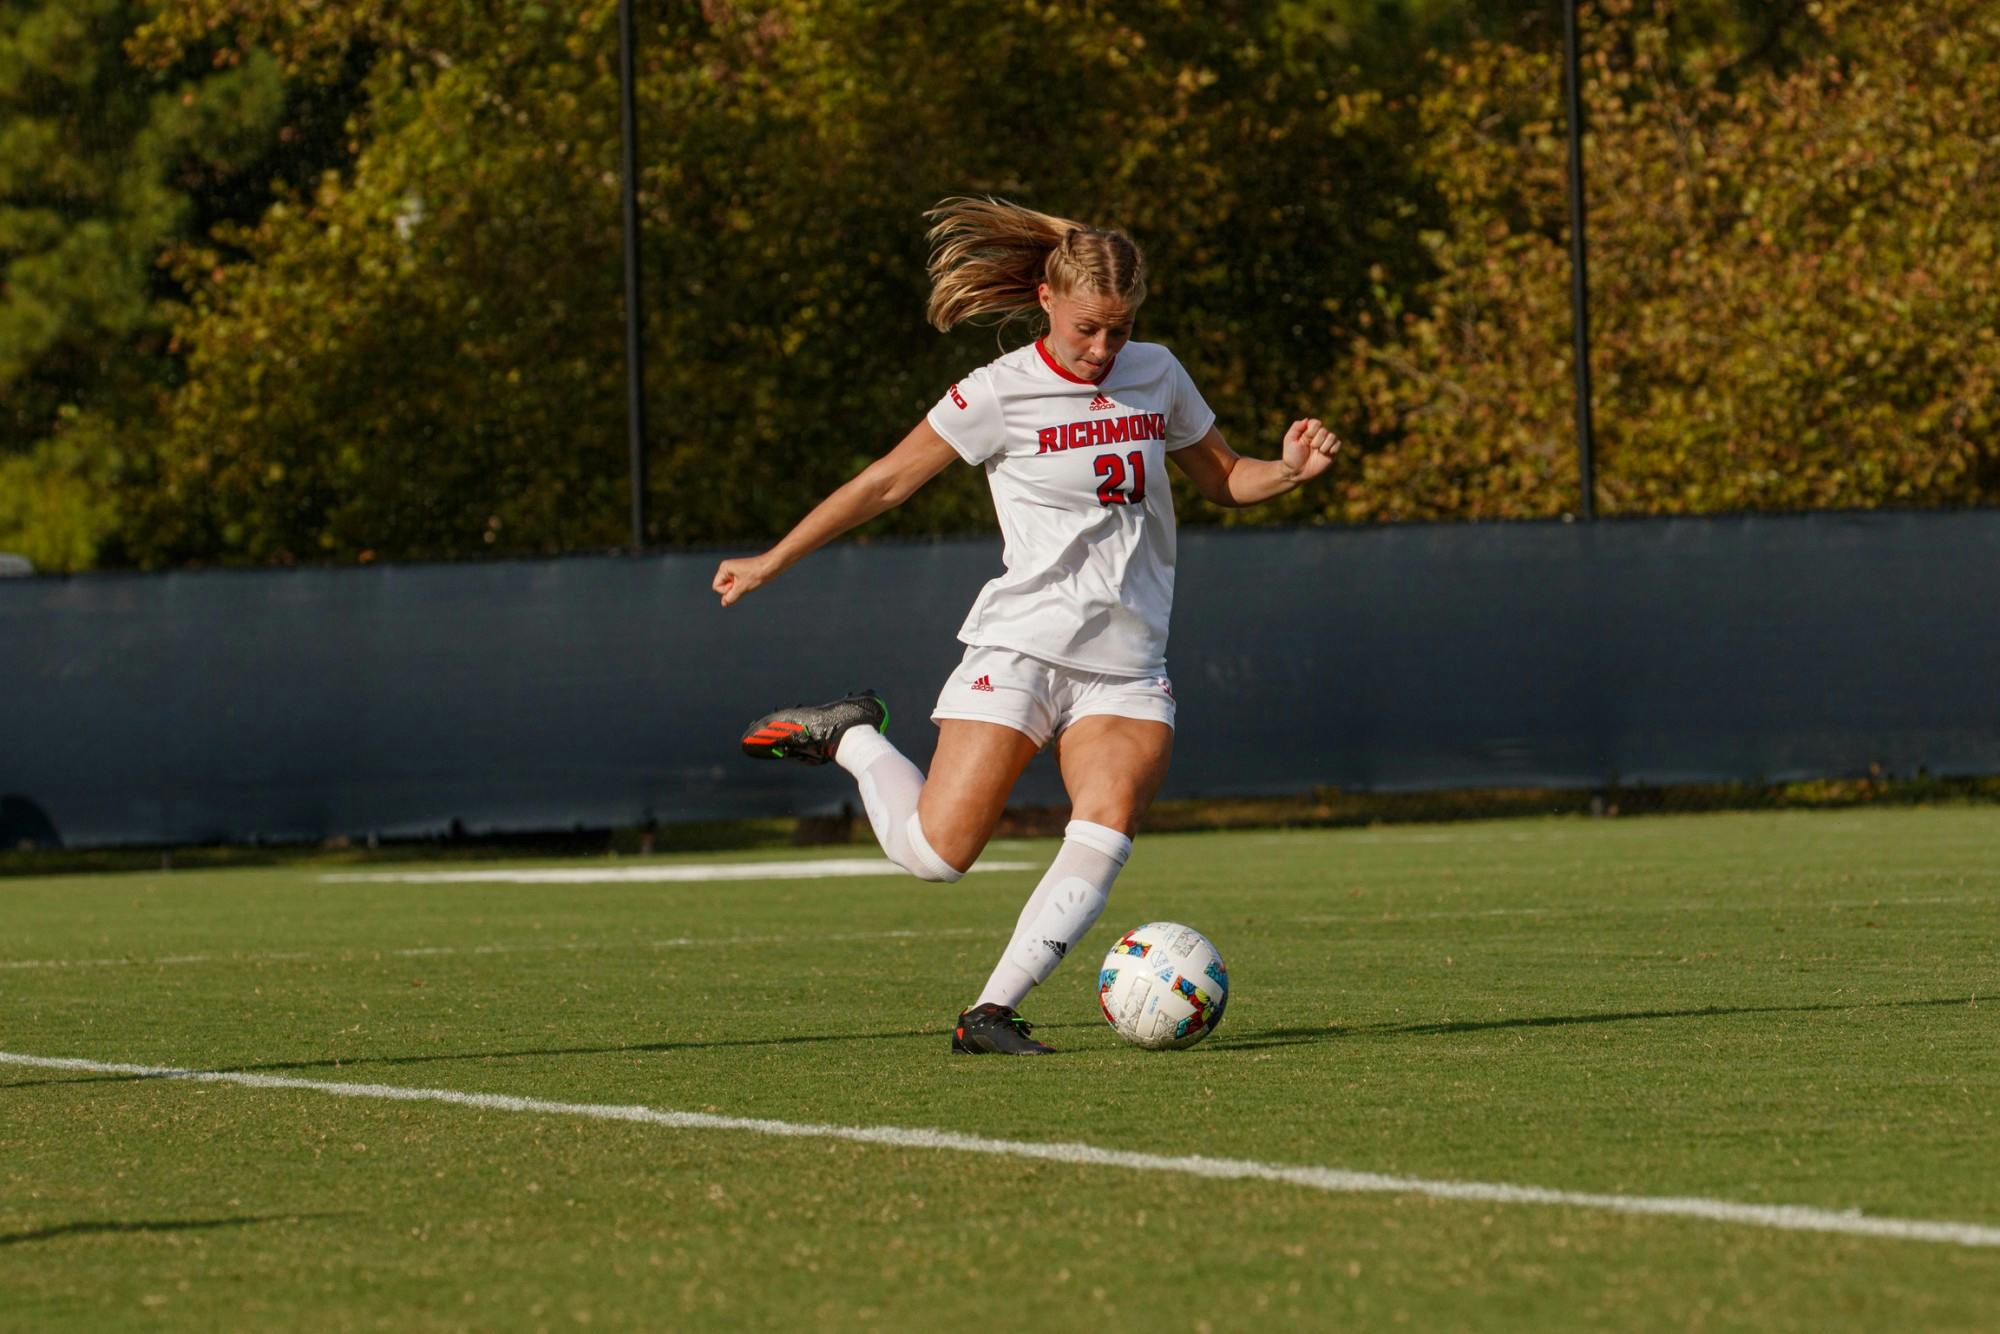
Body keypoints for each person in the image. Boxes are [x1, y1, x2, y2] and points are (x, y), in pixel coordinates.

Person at [713, 197, 1340, 1054]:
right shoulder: (996, 393)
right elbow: (884, 484)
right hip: (1022, 646)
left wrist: (1289, 470)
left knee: (1108, 817)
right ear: (1046, 300)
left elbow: (1225, 478)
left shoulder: (1158, 373)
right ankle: (854, 738)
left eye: (1119, 332)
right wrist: (770, 560)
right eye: (1089, 329)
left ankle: (990, 1012)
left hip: (1126, 664)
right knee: (938, 855)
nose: (1102, 350)